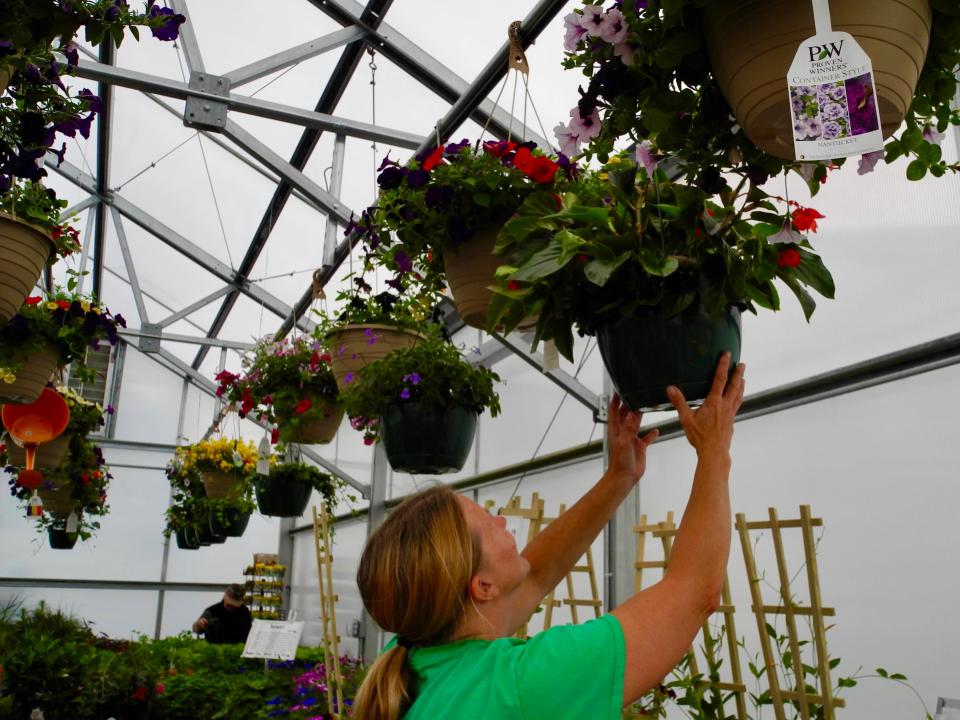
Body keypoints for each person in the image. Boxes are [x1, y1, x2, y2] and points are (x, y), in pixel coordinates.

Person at [352, 353, 746, 720]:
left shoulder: (412, 660)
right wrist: (713, 450)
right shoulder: (521, 686)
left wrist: (619, 478)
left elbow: (537, 574)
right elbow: (694, 591)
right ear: (483, 585)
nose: (504, 523)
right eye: (491, 524)